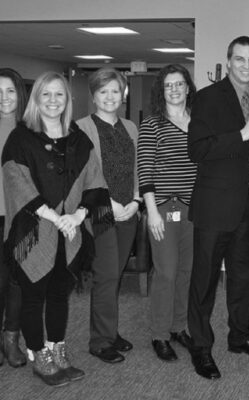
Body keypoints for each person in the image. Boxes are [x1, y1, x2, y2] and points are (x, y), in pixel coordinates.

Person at [2, 71, 114, 386]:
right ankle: (39, 354)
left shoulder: (78, 137)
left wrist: (78, 215)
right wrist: (52, 215)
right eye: (46, 94)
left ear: (68, 100)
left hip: (69, 231)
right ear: (36, 99)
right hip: (34, 230)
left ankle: (57, 347)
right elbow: (15, 180)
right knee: (33, 296)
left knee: (59, 296)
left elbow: (95, 179)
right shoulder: (21, 137)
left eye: (59, 95)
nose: (53, 101)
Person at [187, 35, 249, 380]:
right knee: (205, 281)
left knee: (244, 279)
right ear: (229, 62)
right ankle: (200, 346)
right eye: (239, 59)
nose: (246, 65)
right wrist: (241, 134)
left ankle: (240, 336)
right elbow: (197, 150)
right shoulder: (208, 98)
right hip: (215, 207)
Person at [77, 68, 140, 364]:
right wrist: (108, 203)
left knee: (115, 275)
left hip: (129, 211)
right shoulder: (81, 128)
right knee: (106, 275)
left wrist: (137, 200)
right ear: (93, 96)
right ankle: (100, 341)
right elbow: (81, 177)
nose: (110, 96)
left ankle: (110, 332)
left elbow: (138, 168)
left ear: (123, 94)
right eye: (103, 92)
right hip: (101, 211)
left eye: (115, 90)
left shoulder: (130, 127)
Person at [137, 64, 197, 362]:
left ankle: (178, 326)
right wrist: (152, 212)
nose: (174, 89)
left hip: (192, 209)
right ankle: (160, 334)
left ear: (188, 87)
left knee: (186, 271)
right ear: (162, 91)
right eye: (168, 85)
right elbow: (145, 169)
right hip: (163, 208)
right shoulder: (152, 124)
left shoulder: (199, 122)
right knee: (167, 272)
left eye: (179, 84)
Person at [0, 68, 28, 369]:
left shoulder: (29, 129)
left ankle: (11, 340)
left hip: (22, 216)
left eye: (9, 91)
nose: (3, 98)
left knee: (19, 282)